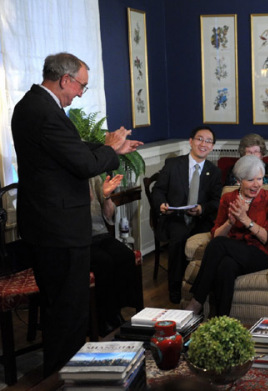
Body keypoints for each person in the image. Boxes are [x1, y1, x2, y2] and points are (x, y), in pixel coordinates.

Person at [11, 52, 142, 376]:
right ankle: (65, 377)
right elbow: (83, 165)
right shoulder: (44, 112)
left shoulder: (33, 106)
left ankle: (66, 374)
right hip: (59, 229)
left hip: (48, 226)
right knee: (68, 312)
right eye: (81, 86)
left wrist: (108, 146)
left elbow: (72, 146)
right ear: (65, 79)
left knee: (64, 309)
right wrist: (109, 148)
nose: (81, 93)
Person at [185, 155, 268, 316]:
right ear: (239, 180)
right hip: (236, 251)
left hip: (264, 253)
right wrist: (230, 222)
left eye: (260, 179)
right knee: (226, 265)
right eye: (250, 180)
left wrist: (246, 220)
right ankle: (221, 321)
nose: (256, 184)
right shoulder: (228, 198)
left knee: (219, 245)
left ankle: (196, 301)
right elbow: (216, 235)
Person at [151, 126, 222, 304]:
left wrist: (201, 208)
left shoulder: (214, 172)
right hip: (175, 217)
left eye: (208, 141)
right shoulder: (174, 165)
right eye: (199, 139)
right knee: (179, 238)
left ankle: (199, 290)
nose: (203, 144)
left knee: (211, 242)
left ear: (212, 146)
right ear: (190, 141)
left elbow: (217, 201)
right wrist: (161, 204)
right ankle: (175, 291)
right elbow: (158, 190)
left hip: (201, 219)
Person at [89, 174, 142, 337]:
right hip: (78, 239)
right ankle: (102, 318)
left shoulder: (94, 177)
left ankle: (116, 311)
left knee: (125, 256)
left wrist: (106, 196)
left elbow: (108, 214)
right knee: (104, 263)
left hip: (100, 234)